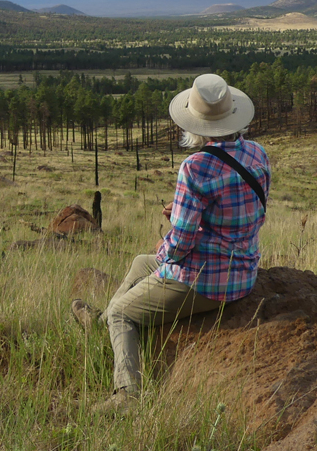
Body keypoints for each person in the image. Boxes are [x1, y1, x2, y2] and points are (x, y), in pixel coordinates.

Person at [72, 73, 270, 413]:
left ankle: (127, 395)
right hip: (243, 271)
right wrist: (183, 214)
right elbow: (241, 214)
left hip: (205, 281)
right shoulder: (257, 153)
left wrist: (170, 242)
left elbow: (180, 245)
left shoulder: (196, 167)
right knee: (138, 261)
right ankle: (99, 321)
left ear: (195, 123)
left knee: (124, 313)